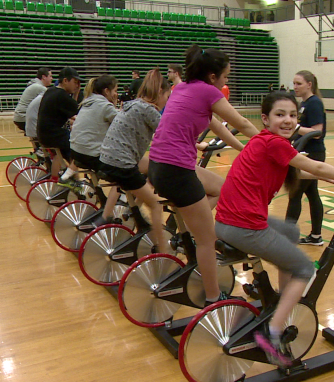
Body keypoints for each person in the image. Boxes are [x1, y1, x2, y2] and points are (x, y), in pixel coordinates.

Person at [216, 91, 334, 367]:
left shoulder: (263, 141)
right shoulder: (275, 143)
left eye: (292, 115)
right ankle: (273, 332)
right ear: (265, 119)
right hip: (244, 227)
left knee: (290, 233)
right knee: (304, 268)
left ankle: (279, 299)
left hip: (229, 223)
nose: (287, 120)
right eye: (280, 115)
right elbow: (311, 163)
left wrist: (328, 176)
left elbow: (299, 170)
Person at [148, 45, 259, 304]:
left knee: (223, 187)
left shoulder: (183, 89)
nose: (226, 81)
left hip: (160, 166)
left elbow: (218, 126)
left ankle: (190, 224)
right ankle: (212, 298)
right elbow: (242, 123)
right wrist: (277, 145)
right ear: (213, 77)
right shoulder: (208, 91)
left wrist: (244, 149)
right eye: (226, 77)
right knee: (207, 240)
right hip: (176, 170)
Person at [99, 69, 170, 250]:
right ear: (160, 93)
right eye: (167, 97)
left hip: (108, 159)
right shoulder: (150, 111)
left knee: (148, 167)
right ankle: (161, 249)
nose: (166, 102)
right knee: (155, 205)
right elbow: (169, 135)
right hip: (121, 164)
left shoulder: (134, 104)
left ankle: (128, 212)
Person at [68, 75, 122, 218]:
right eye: (115, 90)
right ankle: (107, 215)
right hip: (91, 155)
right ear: (106, 91)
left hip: (76, 152)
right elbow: (122, 125)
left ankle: (104, 201)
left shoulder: (87, 101)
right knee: (125, 176)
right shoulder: (105, 106)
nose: (116, 93)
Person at [285, 70, 327, 246]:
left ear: (309, 85)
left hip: (312, 154)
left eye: (299, 83)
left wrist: (294, 127)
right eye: (293, 83)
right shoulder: (305, 103)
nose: (295, 87)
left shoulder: (314, 103)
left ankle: (286, 238)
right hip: (304, 152)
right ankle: (316, 236)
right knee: (312, 194)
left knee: (295, 194)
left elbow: (317, 132)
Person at [37, 67, 81, 182]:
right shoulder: (62, 95)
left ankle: (64, 179)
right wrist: (76, 94)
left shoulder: (51, 90)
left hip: (44, 134)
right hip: (53, 135)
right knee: (79, 154)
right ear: (66, 81)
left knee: (68, 155)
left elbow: (70, 111)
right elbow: (79, 113)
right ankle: (72, 182)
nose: (77, 86)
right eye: (75, 82)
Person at [13, 67, 53, 133]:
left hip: (20, 117)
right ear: (44, 77)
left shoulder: (34, 85)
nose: (52, 78)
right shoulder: (40, 88)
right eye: (50, 76)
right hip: (24, 117)